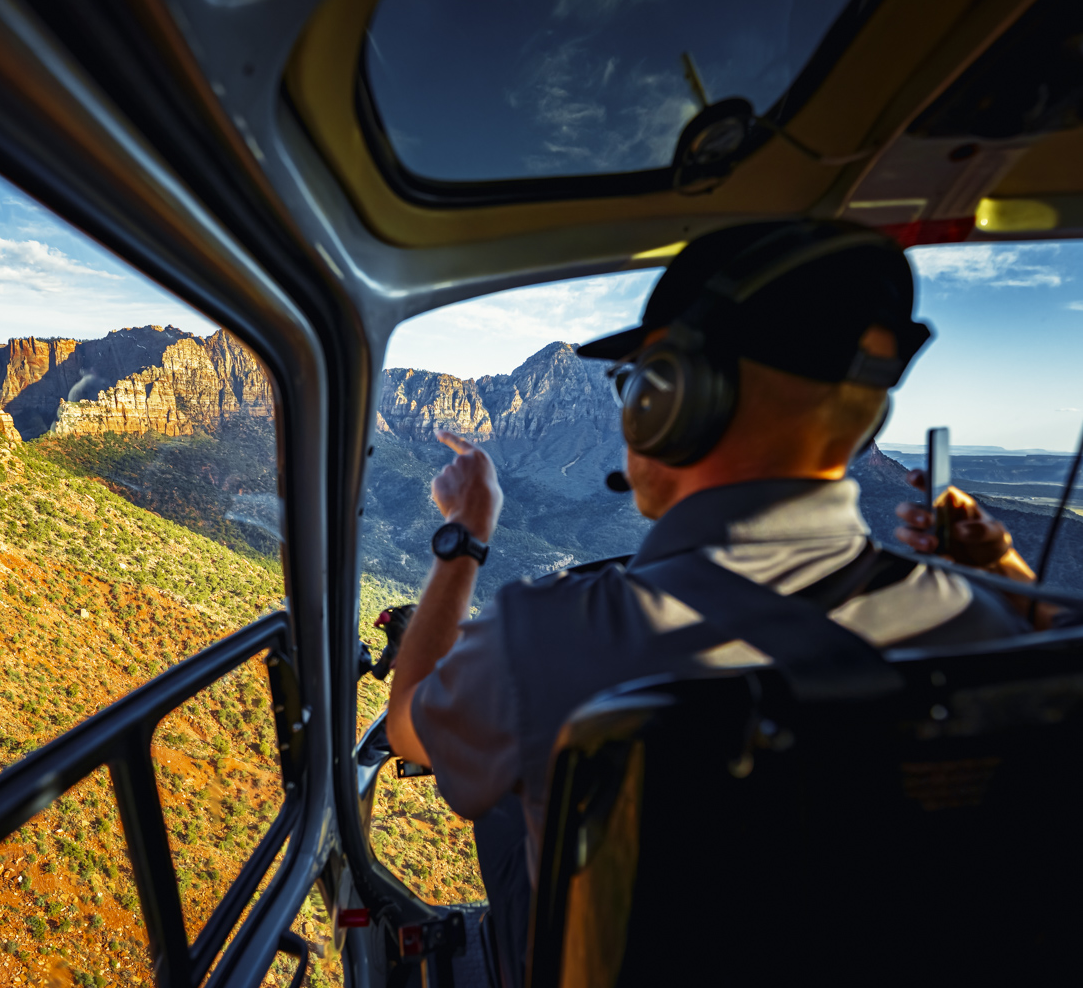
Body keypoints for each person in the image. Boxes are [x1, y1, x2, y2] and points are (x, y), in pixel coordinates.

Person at [382, 220, 1045, 988]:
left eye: (637, 383)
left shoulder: (548, 642)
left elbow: (407, 729)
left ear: (674, 400)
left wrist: (464, 536)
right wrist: (996, 570)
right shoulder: (991, 627)